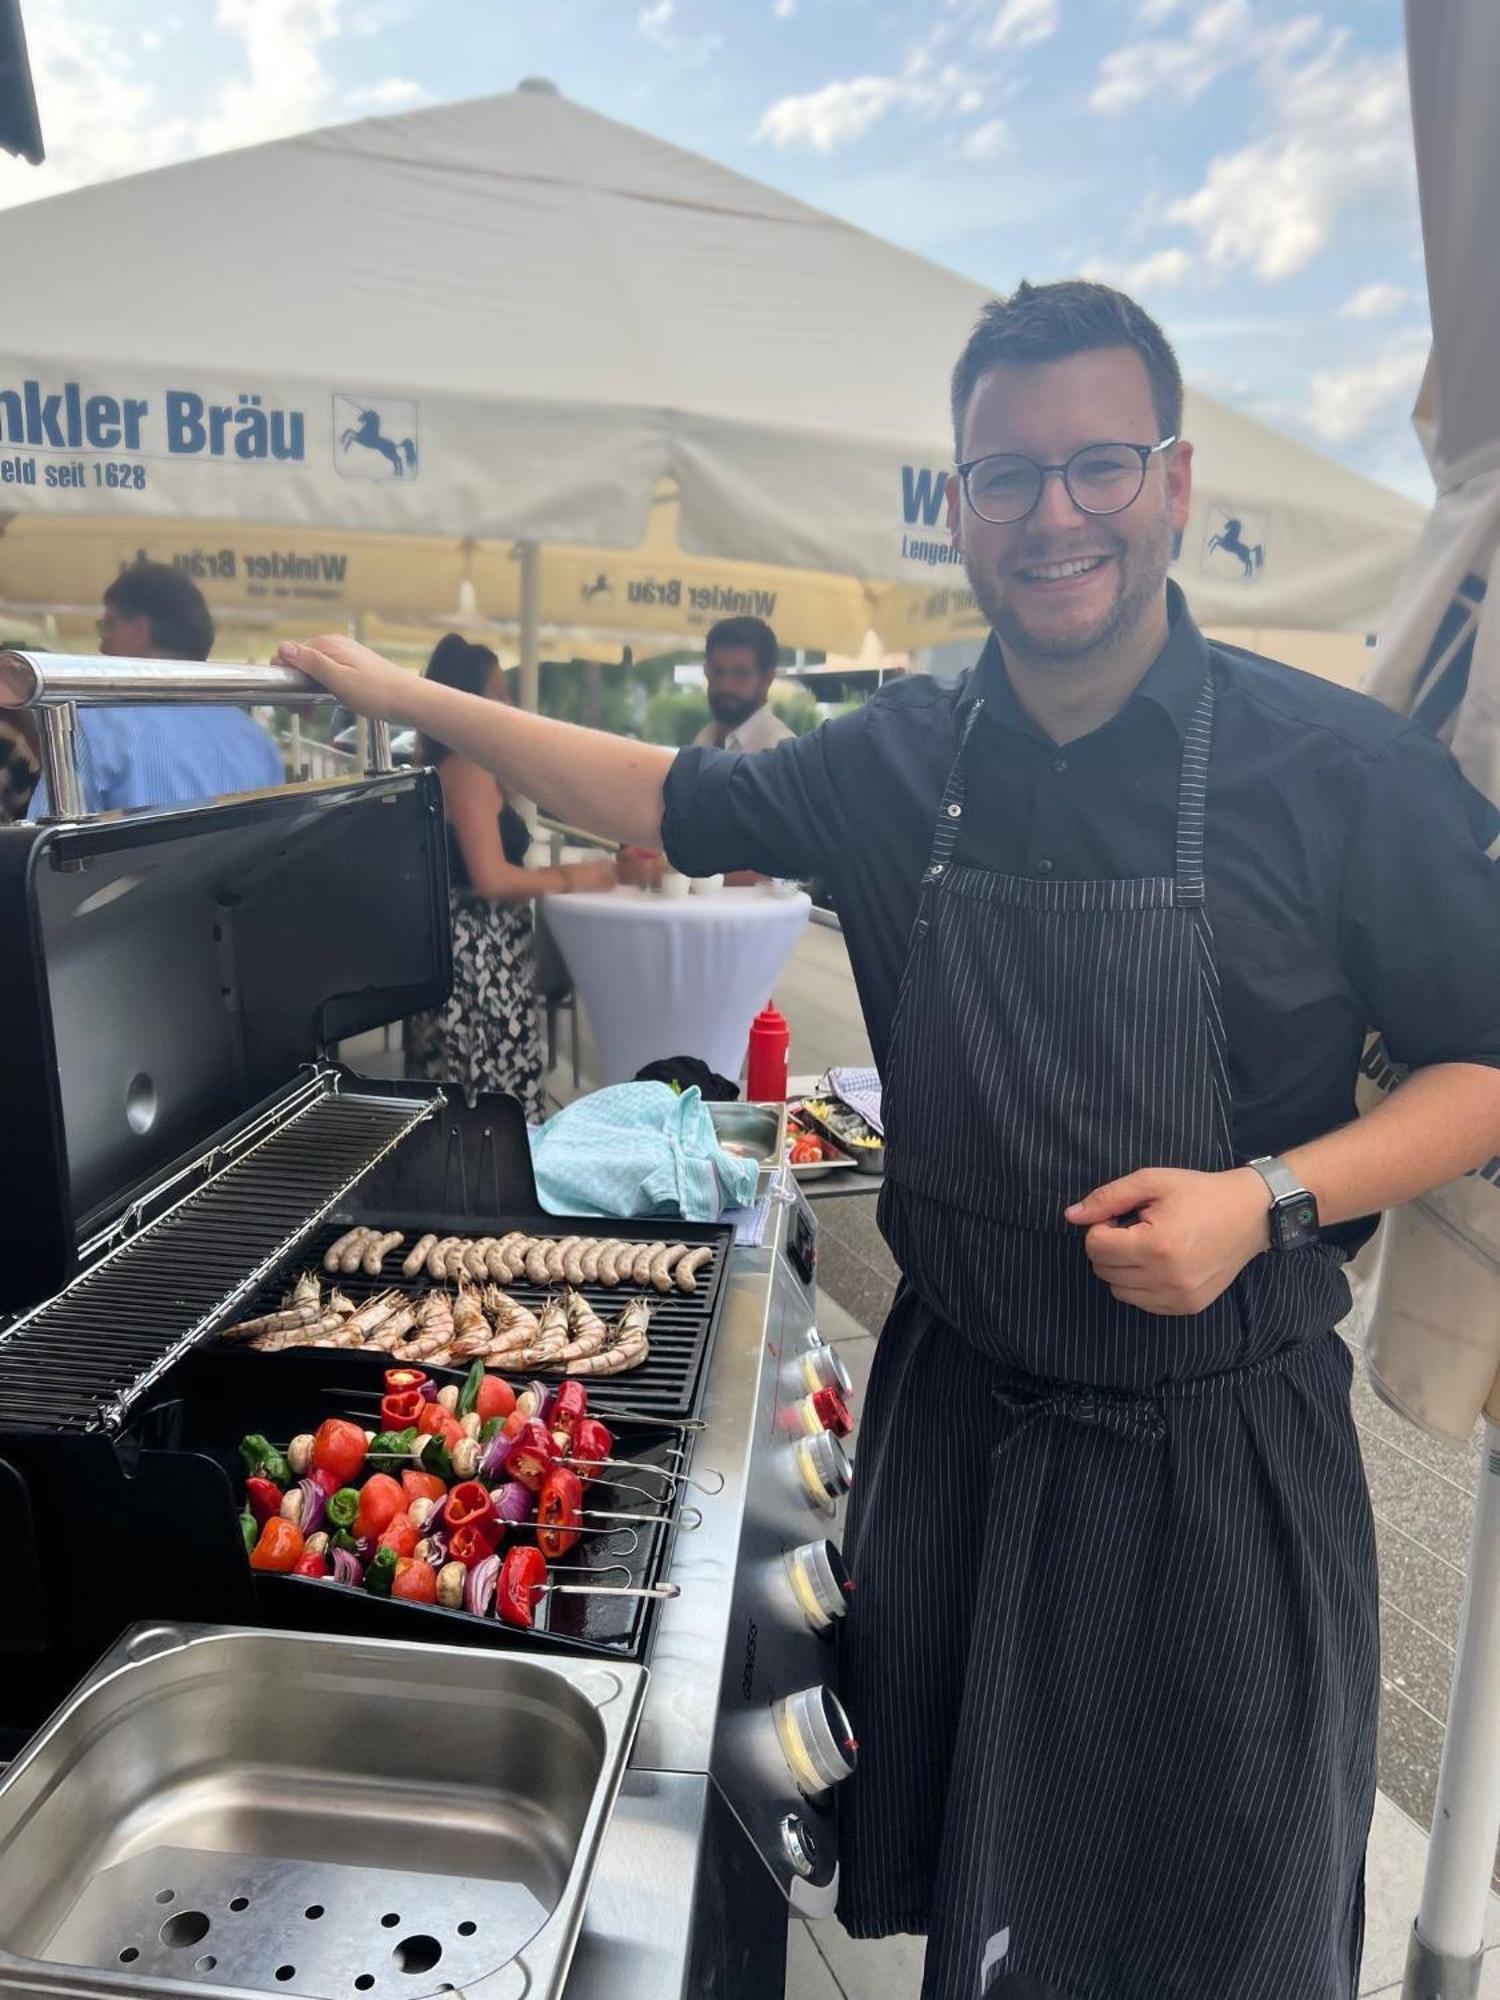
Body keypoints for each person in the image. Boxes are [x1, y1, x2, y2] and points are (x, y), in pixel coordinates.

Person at [272, 280, 1500, 2000]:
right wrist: (412, 695)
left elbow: (1483, 1066)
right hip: (967, 1440)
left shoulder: (1340, 772)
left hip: (1212, 1471)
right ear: (957, 507)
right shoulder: (906, 758)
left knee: (1220, 1928)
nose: (1053, 512)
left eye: (1098, 466)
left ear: (1175, 484)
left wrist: (1268, 1198)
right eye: (1007, 476)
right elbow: (649, 796)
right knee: (992, 1930)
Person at [403, 634, 616, 1116]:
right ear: (466, 700)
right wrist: (575, 877)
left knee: (465, 1099)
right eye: (497, 693)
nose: (508, 703)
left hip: (466, 958)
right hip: (481, 964)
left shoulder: (450, 764)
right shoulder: (466, 767)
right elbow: (492, 879)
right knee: (491, 1100)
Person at [26, 562, 283, 817]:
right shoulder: (256, 739)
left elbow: (44, 845)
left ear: (139, 629)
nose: (102, 646)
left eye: (108, 627)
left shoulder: (95, 726)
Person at [691, 614, 793, 752]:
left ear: (767, 678)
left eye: (740, 674)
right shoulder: (705, 738)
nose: (725, 685)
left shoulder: (779, 753)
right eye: (717, 671)